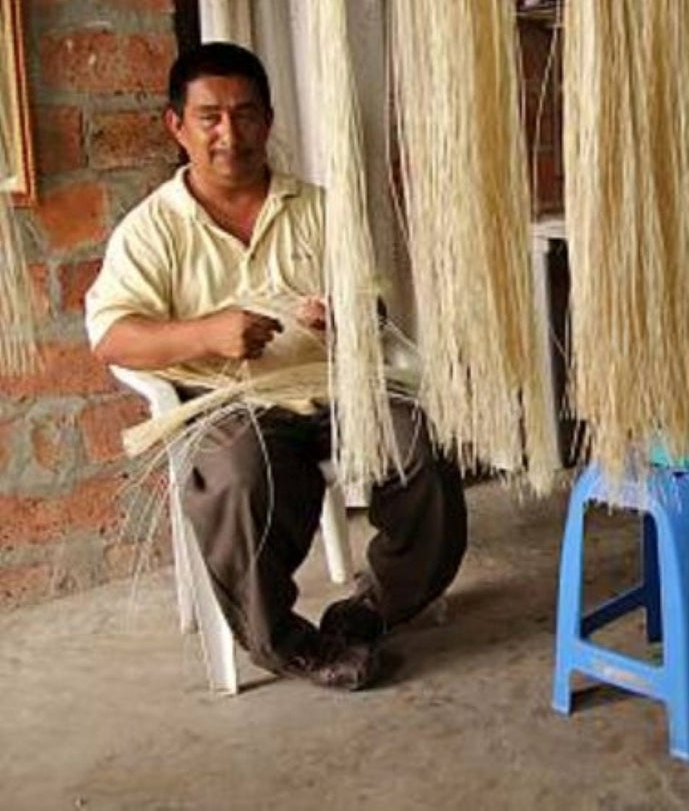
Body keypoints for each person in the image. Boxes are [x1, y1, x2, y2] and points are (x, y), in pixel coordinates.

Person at [86, 42, 467, 691]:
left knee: (424, 450)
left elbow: (372, 301)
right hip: (230, 405)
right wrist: (207, 332)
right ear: (176, 126)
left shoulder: (319, 210)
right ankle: (287, 644)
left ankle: (371, 610)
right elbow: (114, 339)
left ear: (268, 120)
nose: (228, 134)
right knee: (240, 477)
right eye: (209, 117)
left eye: (245, 114)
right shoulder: (152, 230)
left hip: (337, 389)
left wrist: (345, 315)